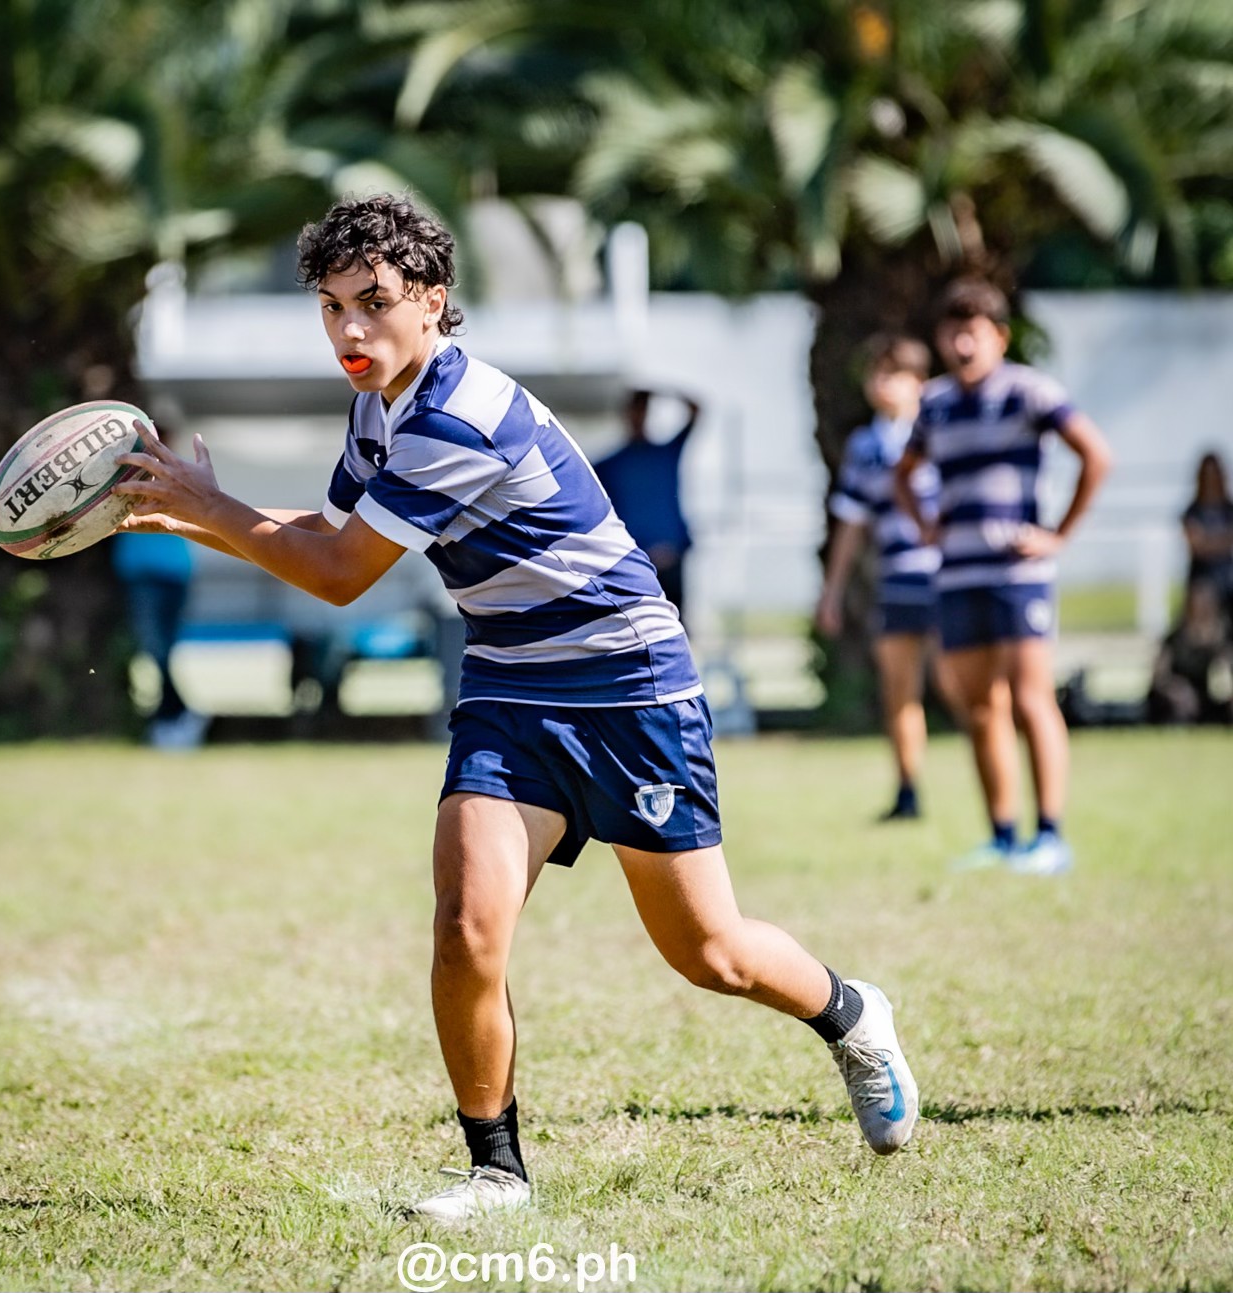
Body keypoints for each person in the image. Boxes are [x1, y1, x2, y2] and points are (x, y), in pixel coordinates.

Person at [112, 194, 920, 1221]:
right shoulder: (381, 404)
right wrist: (194, 511)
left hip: (628, 687)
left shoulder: (460, 414)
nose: (348, 331)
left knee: (706, 951)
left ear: (432, 302)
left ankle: (851, 1014)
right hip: (509, 683)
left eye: (372, 304)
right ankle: (497, 1172)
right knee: (464, 928)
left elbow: (338, 573)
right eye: (329, 307)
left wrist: (206, 509)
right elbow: (325, 528)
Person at [894, 278, 1112, 876]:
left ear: (1000, 337)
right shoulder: (933, 403)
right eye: (952, 331)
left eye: (975, 332)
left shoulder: (1030, 391)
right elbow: (902, 474)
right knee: (981, 708)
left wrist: (1058, 535)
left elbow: (1096, 455)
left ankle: (1050, 835)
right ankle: (1002, 836)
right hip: (957, 574)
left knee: (1030, 699)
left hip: (1019, 574)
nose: (963, 343)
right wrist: (925, 525)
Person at [816, 334, 942, 820]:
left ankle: (999, 801)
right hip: (896, 583)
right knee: (899, 691)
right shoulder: (865, 446)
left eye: (893, 374)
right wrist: (833, 592)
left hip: (948, 581)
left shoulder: (942, 430)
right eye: (875, 374)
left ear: (919, 382)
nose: (880, 384)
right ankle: (908, 792)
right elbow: (851, 525)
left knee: (961, 687)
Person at [111, 413, 208, 750]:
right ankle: (174, 716)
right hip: (147, 573)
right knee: (157, 648)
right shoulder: (127, 474)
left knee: (158, 647)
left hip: (164, 574)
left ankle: (176, 716)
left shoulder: (169, 478)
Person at [592, 386, 701, 616]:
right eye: (635, 410)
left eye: (643, 410)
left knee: (676, 627)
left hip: (671, 559)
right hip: (633, 564)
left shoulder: (666, 453)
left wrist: (660, 390)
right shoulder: (608, 465)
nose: (639, 416)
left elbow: (696, 409)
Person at [1146, 578, 1233, 725]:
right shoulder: (1175, 638)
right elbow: (1159, 676)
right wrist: (1176, 689)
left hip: (1206, 700)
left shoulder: (1221, 636)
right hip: (1177, 697)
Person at [1181, 451, 1233, 620]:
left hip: (1228, 571)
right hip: (1203, 574)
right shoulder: (1192, 511)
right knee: (1202, 595)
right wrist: (1222, 540)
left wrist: (1209, 541)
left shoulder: (1229, 509)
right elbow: (1196, 546)